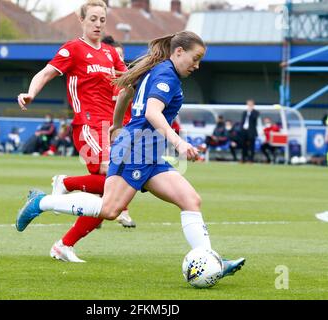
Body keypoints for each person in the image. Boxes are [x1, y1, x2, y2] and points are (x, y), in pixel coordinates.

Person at [15, 31, 245, 280]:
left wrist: (116, 125)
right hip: (135, 149)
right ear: (179, 52)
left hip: (149, 152)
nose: (197, 65)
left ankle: (211, 260)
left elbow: (125, 91)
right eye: (195, 58)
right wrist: (178, 142)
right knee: (110, 209)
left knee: (191, 200)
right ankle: (41, 202)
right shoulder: (166, 74)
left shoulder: (158, 69)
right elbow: (152, 112)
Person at [17, 0, 135, 263]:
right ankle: (63, 184)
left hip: (111, 128)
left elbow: (127, 84)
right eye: (92, 19)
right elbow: (46, 73)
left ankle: (63, 245)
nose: (97, 24)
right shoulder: (74, 49)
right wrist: (31, 93)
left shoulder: (111, 54)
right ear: (81, 20)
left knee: (110, 199)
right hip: (88, 125)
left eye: (102, 20)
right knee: (109, 172)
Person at [240, 99, 259, 163]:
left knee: (251, 146)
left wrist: (250, 112)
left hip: (251, 132)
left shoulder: (255, 112)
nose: (249, 106)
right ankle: (243, 159)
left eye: (250, 104)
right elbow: (242, 121)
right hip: (244, 131)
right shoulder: (244, 112)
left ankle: (251, 159)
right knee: (243, 146)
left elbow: (254, 119)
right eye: (248, 104)